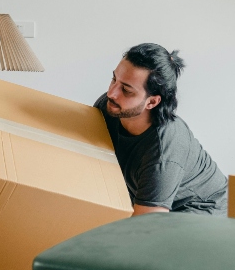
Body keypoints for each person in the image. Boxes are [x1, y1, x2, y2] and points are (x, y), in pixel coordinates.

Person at [94, 43, 227, 216]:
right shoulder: (110, 107)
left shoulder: (163, 152)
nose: (111, 93)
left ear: (152, 102)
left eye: (126, 90)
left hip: (204, 210)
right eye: (114, 79)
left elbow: (148, 225)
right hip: (158, 202)